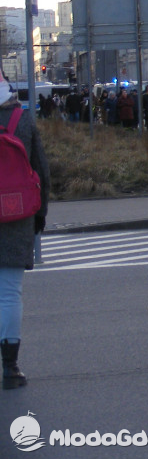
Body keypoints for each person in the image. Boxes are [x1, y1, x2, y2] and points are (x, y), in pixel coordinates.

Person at [0, 73, 50, 389]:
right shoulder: (23, 120)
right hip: (16, 215)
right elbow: (41, 170)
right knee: (9, 294)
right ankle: (10, 368)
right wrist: (40, 214)